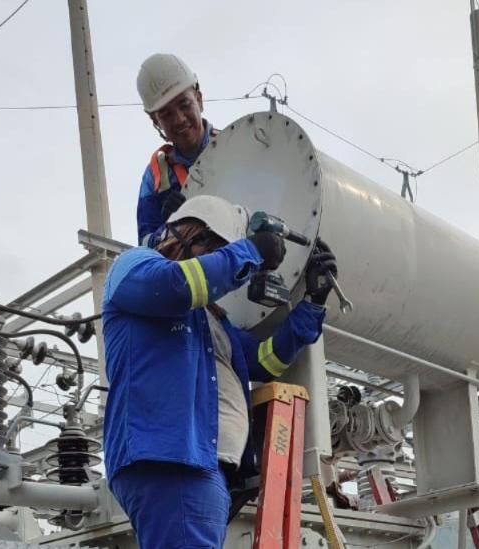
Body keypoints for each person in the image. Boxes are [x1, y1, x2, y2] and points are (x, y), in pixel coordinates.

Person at [102, 195, 338, 549]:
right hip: (171, 459)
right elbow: (176, 285)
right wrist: (252, 251)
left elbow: (265, 361)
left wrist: (313, 304)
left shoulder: (211, 321)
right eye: (218, 249)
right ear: (191, 234)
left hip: (204, 465)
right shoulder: (134, 266)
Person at [135, 53, 216, 248]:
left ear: (199, 99)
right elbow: (146, 249)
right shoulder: (155, 178)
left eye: (185, 104)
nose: (179, 119)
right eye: (167, 114)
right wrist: (170, 228)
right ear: (156, 122)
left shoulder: (237, 146)